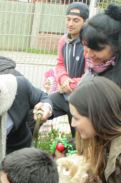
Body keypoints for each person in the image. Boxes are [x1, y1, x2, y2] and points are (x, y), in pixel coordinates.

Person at [50, 2, 89, 136]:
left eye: (76, 20)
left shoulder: (88, 42)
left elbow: (90, 74)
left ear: (85, 22)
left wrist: (70, 85)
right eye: (68, 19)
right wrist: (64, 79)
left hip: (83, 98)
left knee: (79, 138)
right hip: (65, 94)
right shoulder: (63, 40)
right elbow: (60, 63)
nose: (70, 23)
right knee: (37, 112)